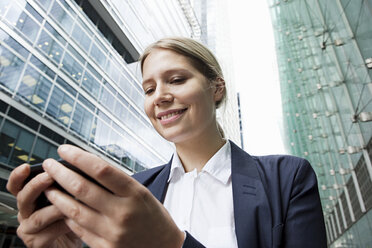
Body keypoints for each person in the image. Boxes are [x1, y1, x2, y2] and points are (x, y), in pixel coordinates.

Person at [6, 37, 327, 248]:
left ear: (216, 88)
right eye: (148, 89)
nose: (160, 96)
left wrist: (172, 243)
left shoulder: (286, 177)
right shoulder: (132, 189)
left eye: (176, 80)